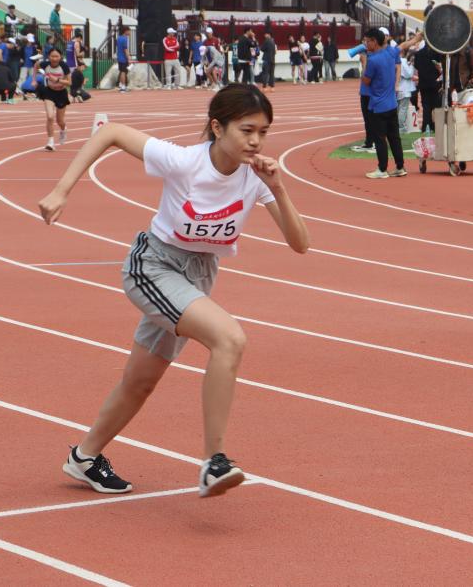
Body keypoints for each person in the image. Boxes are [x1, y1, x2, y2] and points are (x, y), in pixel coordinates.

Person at [38, 84, 309, 497]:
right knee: (229, 339)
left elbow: (300, 243)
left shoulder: (255, 178)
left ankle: (84, 457)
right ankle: (215, 461)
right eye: (246, 130)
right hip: (154, 267)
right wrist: (61, 190)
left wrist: (278, 187)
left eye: (263, 132)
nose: (256, 141)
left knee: (141, 382)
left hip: (196, 278)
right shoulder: (184, 161)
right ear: (217, 128)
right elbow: (110, 132)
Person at [361, 28, 406, 179]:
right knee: (394, 137)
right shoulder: (390, 52)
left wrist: (364, 63)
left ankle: (382, 169)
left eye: (367, 41)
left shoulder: (373, 60)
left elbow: (366, 81)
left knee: (380, 139)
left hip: (378, 106)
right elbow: (404, 45)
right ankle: (400, 166)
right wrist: (418, 38)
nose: (366, 44)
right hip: (392, 104)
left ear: (374, 41)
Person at [37, 47, 70, 150]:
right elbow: (36, 65)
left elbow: (69, 82)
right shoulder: (45, 64)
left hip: (61, 93)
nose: (54, 58)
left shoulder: (64, 66)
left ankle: (63, 129)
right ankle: (50, 142)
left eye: (56, 56)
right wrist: (34, 79)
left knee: (60, 121)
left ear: (60, 57)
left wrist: (57, 80)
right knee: (50, 117)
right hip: (49, 92)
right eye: (52, 56)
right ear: (49, 56)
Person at [396, 50, 416, 135]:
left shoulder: (395, 61)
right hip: (404, 89)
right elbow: (409, 74)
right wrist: (411, 65)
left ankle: (397, 126)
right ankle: (401, 127)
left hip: (398, 88)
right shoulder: (403, 61)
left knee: (398, 109)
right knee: (403, 109)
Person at [117, 25, 131, 92]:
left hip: (119, 57)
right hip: (123, 58)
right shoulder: (125, 39)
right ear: (125, 31)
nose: (130, 32)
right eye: (129, 31)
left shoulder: (119, 38)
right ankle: (123, 87)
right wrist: (129, 58)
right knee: (123, 72)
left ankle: (120, 85)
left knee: (121, 71)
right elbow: (125, 50)